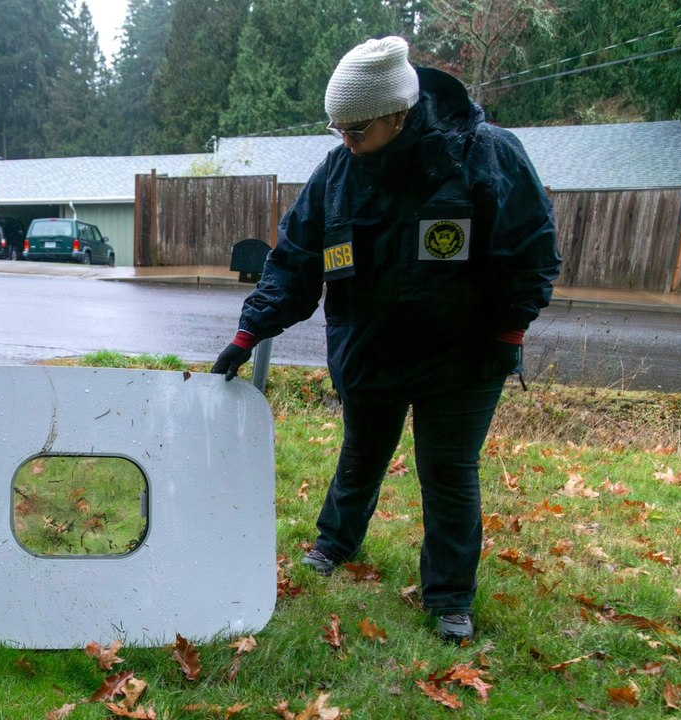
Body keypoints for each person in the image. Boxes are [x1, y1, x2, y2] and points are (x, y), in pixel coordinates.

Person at [211, 37, 560, 643]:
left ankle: (449, 598)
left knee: (448, 471)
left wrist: (508, 330)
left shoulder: (485, 155)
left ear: (398, 114)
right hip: (370, 350)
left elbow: (531, 252)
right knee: (361, 452)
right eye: (337, 128)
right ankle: (335, 543)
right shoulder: (337, 174)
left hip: (463, 356)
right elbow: (295, 259)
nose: (344, 141)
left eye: (358, 128)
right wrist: (250, 330)